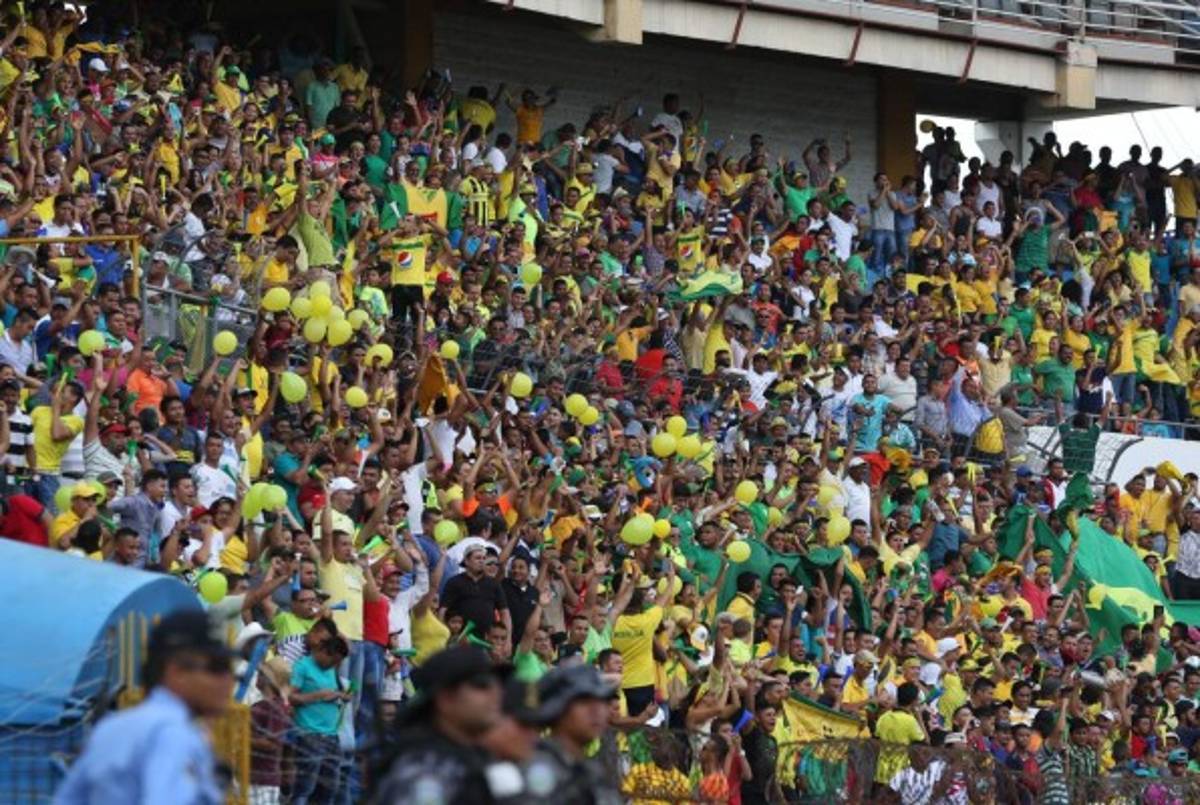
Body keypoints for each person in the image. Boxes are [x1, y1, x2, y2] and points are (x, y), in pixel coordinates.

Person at [53, 611, 234, 804]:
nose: (229, 679)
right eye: (218, 668)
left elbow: (67, 799)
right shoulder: (173, 733)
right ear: (177, 672)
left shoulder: (112, 727)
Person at [372, 646, 503, 804]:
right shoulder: (425, 771)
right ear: (445, 699)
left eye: (498, 683)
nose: (496, 693)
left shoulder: (477, 757)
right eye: (481, 685)